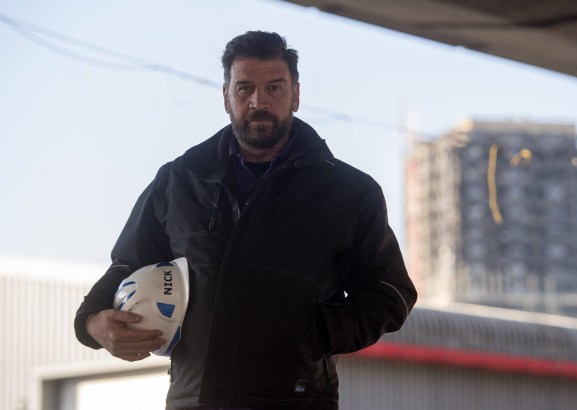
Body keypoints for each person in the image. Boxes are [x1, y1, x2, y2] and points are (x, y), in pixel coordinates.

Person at [75, 31, 417, 410]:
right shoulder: (178, 181)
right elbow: (126, 266)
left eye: (274, 88)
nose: (259, 102)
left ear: (296, 95)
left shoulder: (349, 192)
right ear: (225, 97)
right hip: (195, 400)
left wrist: (312, 334)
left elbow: (390, 293)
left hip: (298, 400)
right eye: (244, 89)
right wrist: (92, 323)